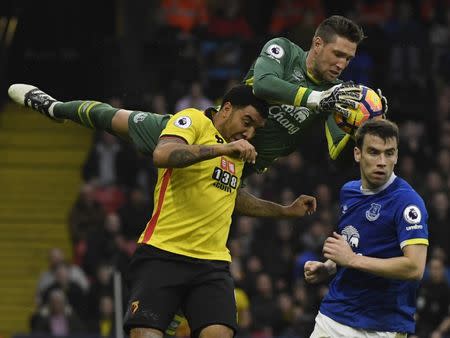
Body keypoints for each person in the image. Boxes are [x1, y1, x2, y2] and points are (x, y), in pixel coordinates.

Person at [7, 17, 377, 180]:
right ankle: (54, 107)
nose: (343, 65)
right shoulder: (284, 51)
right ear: (316, 44)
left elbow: (338, 158)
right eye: (339, 55)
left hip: (239, 171)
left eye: (349, 59)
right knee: (115, 117)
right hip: (205, 135)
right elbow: (263, 85)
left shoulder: (336, 98)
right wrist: (315, 100)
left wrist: (365, 128)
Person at [120, 84, 316, 338]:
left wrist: (285, 211)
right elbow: (162, 153)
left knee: (219, 334)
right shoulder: (193, 120)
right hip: (163, 252)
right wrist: (222, 149)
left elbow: (234, 197)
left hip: (212, 264)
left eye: (255, 129)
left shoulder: (237, 151)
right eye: (247, 122)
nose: (249, 133)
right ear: (226, 109)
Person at [304, 119, 429, 337]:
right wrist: (329, 267)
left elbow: (415, 268)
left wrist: (351, 260)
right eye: (373, 152)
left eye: (389, 153)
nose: (382, 161)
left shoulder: (408, 203)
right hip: (333, 316)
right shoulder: (348, 192)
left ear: (396, 156)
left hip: (382, 327)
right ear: (357, 154)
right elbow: (355, 247)